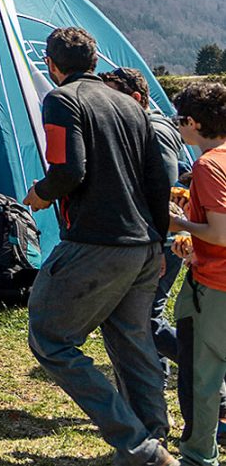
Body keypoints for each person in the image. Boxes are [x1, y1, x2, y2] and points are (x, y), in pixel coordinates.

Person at [24, 27, 173, 466]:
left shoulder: (61, 99)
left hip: (96, 241)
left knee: (50, 338)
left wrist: (40, 194)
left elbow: (68, 169)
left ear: (52, 65)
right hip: (144, 243)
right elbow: (160, 180)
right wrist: (159, 242)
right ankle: (154, 441)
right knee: (133, 342)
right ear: (94, 61)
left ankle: (137, 445)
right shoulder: (132, 106)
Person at [101, 67, 188, 368]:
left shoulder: (156, 131)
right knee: (145, 317)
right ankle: (157, 381)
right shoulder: (136, 128)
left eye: (114, 96)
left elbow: (161, 190)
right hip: (150, 238)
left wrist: (158, 245)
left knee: (147, 321)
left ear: (136, 98)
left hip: (160, 240)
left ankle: (211, 375)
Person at [167, 82, 226, 466]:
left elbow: (221, 234)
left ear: (193, 122)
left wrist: (177, 223)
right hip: (208, 280)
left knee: (203, 377)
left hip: (217, 285)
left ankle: (198, 456)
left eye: (180, 120)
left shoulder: (207, 164)